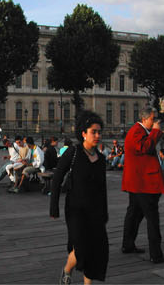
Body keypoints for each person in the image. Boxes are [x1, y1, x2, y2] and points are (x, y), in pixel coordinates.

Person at [49, 111, 110, 284]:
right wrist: (54, 206)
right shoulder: (73, 152)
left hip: (95, 211)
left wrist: (104, 213)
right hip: (76, 209)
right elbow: (57, 178)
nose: (98, 135)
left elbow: (102, 188)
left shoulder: (101, 159)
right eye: (93, 132)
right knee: (81, 246)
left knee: (96, 250)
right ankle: (67, 270)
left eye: (99, 132)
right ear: (83, 133)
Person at [120, 111, 164, 264]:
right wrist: (156, 131)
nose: (155, 122)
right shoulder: (137, 131)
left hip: (138, 182)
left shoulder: (138, 131)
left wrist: (153, 131)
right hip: (143, 183)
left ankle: (128, 245)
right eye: (153, 119)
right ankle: (156, 254)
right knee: (152, 218)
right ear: (144, 119)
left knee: (134, 214)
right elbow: (146, 147)